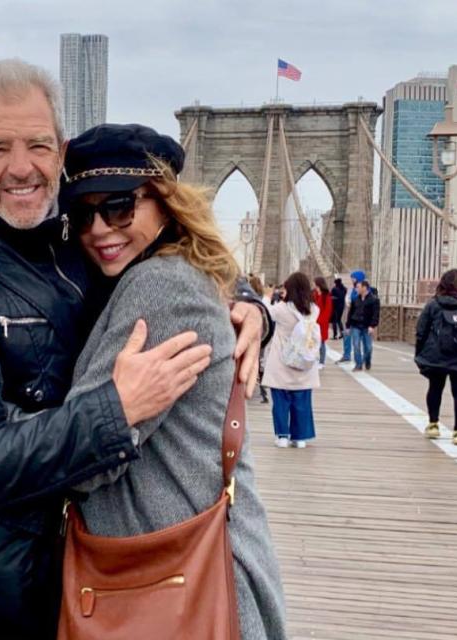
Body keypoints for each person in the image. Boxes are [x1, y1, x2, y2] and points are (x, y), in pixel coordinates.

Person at [0, 59, 269, 640]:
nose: (22, 168)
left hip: (117, 577)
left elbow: (171, 268)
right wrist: (114, 412)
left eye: (38, 146)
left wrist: (248, 305)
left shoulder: (80, 236)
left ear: (60, 151)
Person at [61, 123, 286, 639]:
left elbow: (82, 463)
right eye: (82, 212)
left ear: (163, 203)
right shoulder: (175, 270)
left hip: (170, 587)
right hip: (187, 575)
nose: (99, 228)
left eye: (119, 207)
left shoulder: (158, 285)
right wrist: (255, 308)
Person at [263, 272, 320, 448]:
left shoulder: (282, 309)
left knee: (280, 402)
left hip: (282, 362)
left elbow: (265, 312)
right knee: (302, 402)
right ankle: (300, 437)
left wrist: (267, 295)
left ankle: (282, 436)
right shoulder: (314, 310)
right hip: (304, 362)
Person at [415, 269, 457, 445]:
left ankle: (433, 425)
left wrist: (420, 353)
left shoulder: (434, 304)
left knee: (435, 388)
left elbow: (421, 330)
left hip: (436, 356)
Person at [347, 279, 380, 371]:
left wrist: (372, 326)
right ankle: (358, 364)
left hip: (367, 326)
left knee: (368, 348)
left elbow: (375, 314)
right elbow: (350, 313)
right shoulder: (355, 300)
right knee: (356, 345)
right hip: (356, 325)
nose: (356, 289)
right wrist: (348, 326)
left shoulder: (374, 300)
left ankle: (367, 360)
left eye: (358, 287)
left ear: (364, 288)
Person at [250, 274, 271, 403]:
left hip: (249, 335)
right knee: (259, 363)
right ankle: (263, 392)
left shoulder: (248, 299)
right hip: (261, 336)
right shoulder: (263, 300)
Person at [337, 270, 365, 363]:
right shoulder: (352, 289)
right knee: (347, 334)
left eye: (353, 278)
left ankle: (360, 357)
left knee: (359, 339)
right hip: (351, 315)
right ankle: (347, 355)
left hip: (360, 317)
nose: (352, 279)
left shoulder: (363, 288)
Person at [313, 276, 333, 367]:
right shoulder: (315, 294)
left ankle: (322, 361)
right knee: (314, 342)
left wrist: (320, 320)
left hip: (321, 323)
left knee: (321, 343)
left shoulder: (326, 296)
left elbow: (327, 311)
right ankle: (317, 359)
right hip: (314, 321)